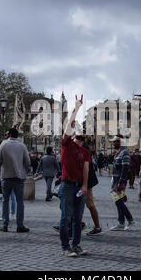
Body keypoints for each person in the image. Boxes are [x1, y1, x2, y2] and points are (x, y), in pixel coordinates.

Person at [58, 95, 90, 257]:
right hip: (67, 185)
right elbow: (68, 126)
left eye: (83, 138)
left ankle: (76, 245)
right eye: (78, 137)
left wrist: (85, 186)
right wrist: (76, 108)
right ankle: (65, 247)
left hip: (79, 186)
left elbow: (86, 169)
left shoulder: (85, 151)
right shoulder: (66, 145)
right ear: (72, 137)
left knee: (78, 218)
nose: (80, 139)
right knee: (66, 218)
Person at [0, 128, 30, 233]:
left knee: (5, 201)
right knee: (20, 202)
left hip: (6, 176)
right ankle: (20, 225)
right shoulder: (22, 145)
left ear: (9, 134)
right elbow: (28, 162)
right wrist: (23, 170)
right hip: (19, 177)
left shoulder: (4, 144)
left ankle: (5, 224)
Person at [109, 135, 135, 231]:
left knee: (118, 201)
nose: (113, 143)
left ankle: (130, 219)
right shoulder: (120, 152)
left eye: (115, 141)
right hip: (116, 180)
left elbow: (125, 168)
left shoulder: (125, 152)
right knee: (117, 201)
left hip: (119, 181)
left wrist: (121, 183)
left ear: (121, 142)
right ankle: (121, 222)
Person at [84, 142, 102, 236]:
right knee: (89, 205)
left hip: (85, 182)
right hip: (87, 182)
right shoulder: (85, 148)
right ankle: (97, 227)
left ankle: (97, 227)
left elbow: (86, 168)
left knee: (90, 204)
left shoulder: (83, 149)